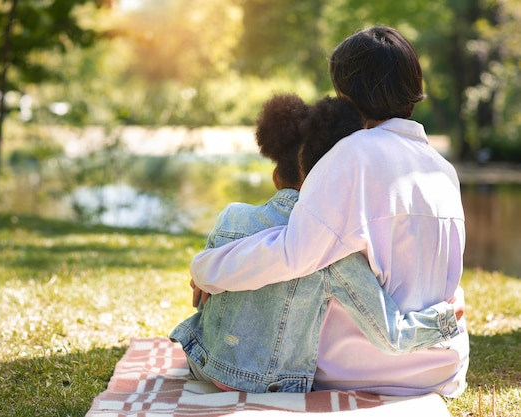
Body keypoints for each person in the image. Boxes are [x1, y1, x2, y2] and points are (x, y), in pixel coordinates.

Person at [188, 26, 469, 397]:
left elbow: (292, 254)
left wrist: (207, 269)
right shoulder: (441, 168)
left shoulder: (352, 156)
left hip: (365, 370)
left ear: (348, 93)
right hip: (441, 368)